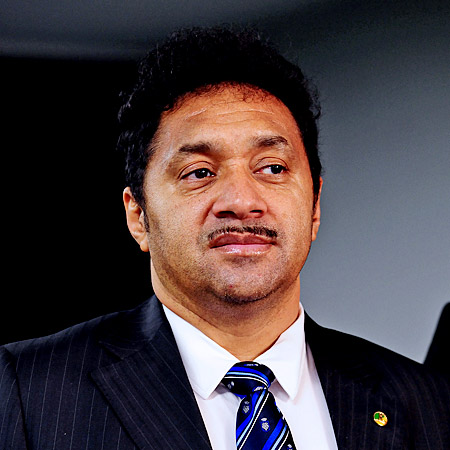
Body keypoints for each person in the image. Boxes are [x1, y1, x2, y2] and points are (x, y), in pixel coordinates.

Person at [1, 26, 449, 450]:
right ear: (138, 215)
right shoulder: (26, 391)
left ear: (314, 207)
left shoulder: (426, 399)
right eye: (199, 172)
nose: (241, 201)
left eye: (272, 168)